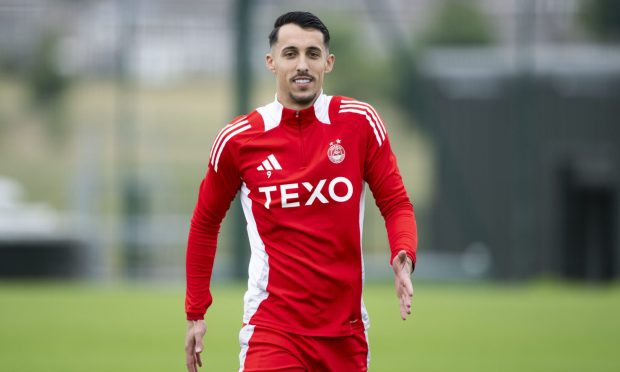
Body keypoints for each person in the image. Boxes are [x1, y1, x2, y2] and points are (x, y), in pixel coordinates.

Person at [184, 11, 417, 372]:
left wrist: (403, 252)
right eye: (290, 53)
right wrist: (196, 311)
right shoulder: (240, 139)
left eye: (312, 53)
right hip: (273, 331)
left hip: (346, 335)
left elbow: (396, 202)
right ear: (271, 62)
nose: (302, 65)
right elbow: (205, 223)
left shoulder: (359, 123)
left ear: (329, 62)